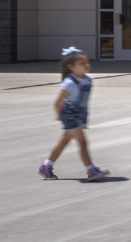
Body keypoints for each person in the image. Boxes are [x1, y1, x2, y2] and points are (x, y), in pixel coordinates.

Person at [37, 47, 108, 181]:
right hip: (70, 115)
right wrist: (59, 115)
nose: (86, 65)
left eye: (87, 62)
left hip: (80, 114)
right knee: (83, 142)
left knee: (64, 141)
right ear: (71, 67)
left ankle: (46, 166)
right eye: (82, 63)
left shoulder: (88, 79)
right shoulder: (69, 83)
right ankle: (90, 169)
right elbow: (57, 102)